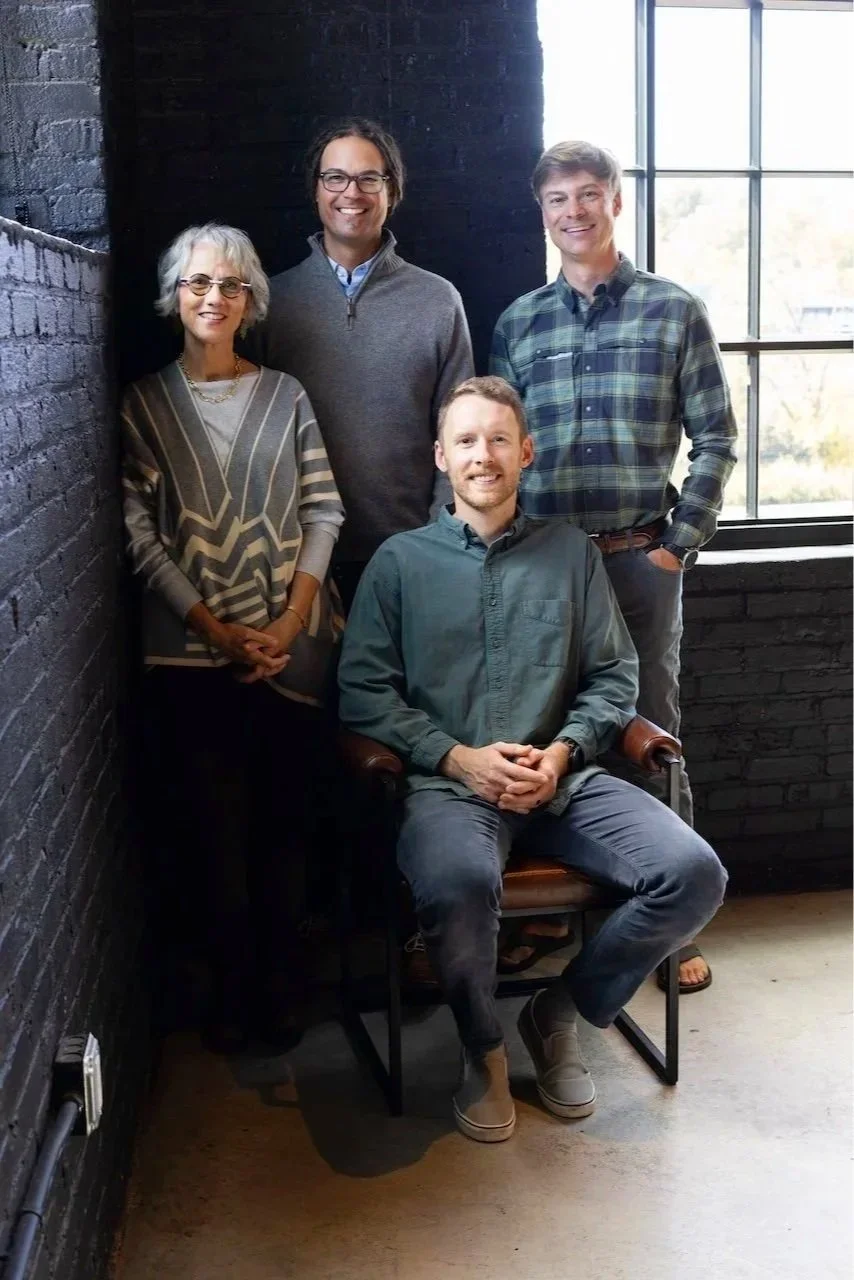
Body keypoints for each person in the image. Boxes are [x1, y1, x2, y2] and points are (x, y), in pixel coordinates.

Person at [338, 377, 726, 1142]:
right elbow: (362, 694)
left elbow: (616, 676)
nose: (484, 455)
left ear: (526, 454)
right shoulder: (398, 564)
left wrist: (561, 752)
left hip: (565, 780)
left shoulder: (570, 555)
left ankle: (564, 1012)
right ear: (442, 457)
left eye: (499, 440)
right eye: (467, 441)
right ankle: (482, 1047)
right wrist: (455, 759)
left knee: (694, 874)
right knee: (455, 880)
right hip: (448, 789)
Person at [490, 141, 737, 993]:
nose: (574, 212)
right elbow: (505, 448)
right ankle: (552, 913)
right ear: (543, 213)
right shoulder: (519, 323)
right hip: (547, 568)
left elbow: (717, 437)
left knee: (652, 729)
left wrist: (678, 545)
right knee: (547, 728)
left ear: (615, 203)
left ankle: (671, 928)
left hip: (638, 561)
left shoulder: (674, 312)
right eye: (558, 200)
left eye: (589, 195)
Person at [121, 222, 345, 1053]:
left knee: (289, 827)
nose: (212, 297)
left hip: (291, 650)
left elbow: (323, 508)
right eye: (196, 283)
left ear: (251, 302)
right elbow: (138, 535)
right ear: (174, 295)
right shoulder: (142, 403)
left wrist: (287, 622)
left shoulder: (286, 395)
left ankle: (283, 994)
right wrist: (212, 627)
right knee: (213, 837)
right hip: (189, 656)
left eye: (230, 285)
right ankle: (235, 997)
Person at [250, 117, 474, 610]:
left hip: (411, 554)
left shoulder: (437, 301)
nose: (351, 192)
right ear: (316, 190)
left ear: (391, 191)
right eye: (336, 177)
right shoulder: (272, 303)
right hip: (296, 561)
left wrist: (440, 539)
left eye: (369, 178)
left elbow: (459, 432)